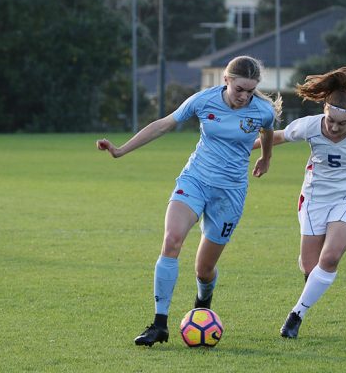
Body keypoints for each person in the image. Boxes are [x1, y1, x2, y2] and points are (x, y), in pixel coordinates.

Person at [97, 56, 282, 346]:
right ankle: (159, 324)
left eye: (250, 90)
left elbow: (268, 133)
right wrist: (121, 150)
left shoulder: (263, 110)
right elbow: (162, 125)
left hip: (230, 193)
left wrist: (265, 157)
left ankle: (202, 308)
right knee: (172, 240)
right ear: (226, 80)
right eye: (239, 89)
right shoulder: (203, 100)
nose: (244, 96)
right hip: (194, 180)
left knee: (204, 270)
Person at [253, 66, 346, 338]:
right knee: (309, 266)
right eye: (331, 121)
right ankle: (312, 286)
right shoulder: (309, 126)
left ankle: (296, 315)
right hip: (315, 198)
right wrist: (243, 146)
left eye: (342, 124)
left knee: (329, 258)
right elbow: (277, 136)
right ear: (325, 113)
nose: (334, 127)